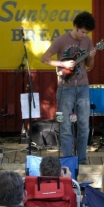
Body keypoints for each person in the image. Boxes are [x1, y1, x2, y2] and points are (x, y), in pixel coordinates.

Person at [41, 11, 96, 164]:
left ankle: (82, 160)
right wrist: (62, 64)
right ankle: (67, 160)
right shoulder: (61, 40)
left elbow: (89, 65)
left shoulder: (88, 41)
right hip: (66, 88)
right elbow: (44, 58)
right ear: (76, 27)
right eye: (83, 32)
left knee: (84, 125)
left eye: (87, 32)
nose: (85, 35)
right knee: (65, 126)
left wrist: (91, 56)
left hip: (83, 86)